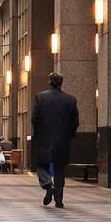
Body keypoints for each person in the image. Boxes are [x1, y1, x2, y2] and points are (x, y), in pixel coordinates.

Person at [31, 72, 79, 207]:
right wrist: (70, 135)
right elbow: (75, 121)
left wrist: (37, 134)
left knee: (41, 165)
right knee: (60, 170)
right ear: (61, 83)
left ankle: (47, 184)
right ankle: (58, 200)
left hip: (44, 139)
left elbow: (35, 118)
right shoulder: (70, 100)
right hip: (63, 140)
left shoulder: (40, 98)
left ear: (50, 82)